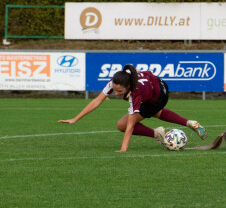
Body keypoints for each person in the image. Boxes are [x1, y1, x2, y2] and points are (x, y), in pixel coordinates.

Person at [58, 64, 208, 152]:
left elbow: (130, 126)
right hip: (158, 85)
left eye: (120, 92)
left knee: (122, 124)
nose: (116, 93)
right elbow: (97, 101)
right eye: (115, 90)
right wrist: (75, 118)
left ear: (128, 86)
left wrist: (123, 149)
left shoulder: (135, 94)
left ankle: (158, 134)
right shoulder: (117, 81)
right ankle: (189, 123)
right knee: (155, 113)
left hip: (159, 95)